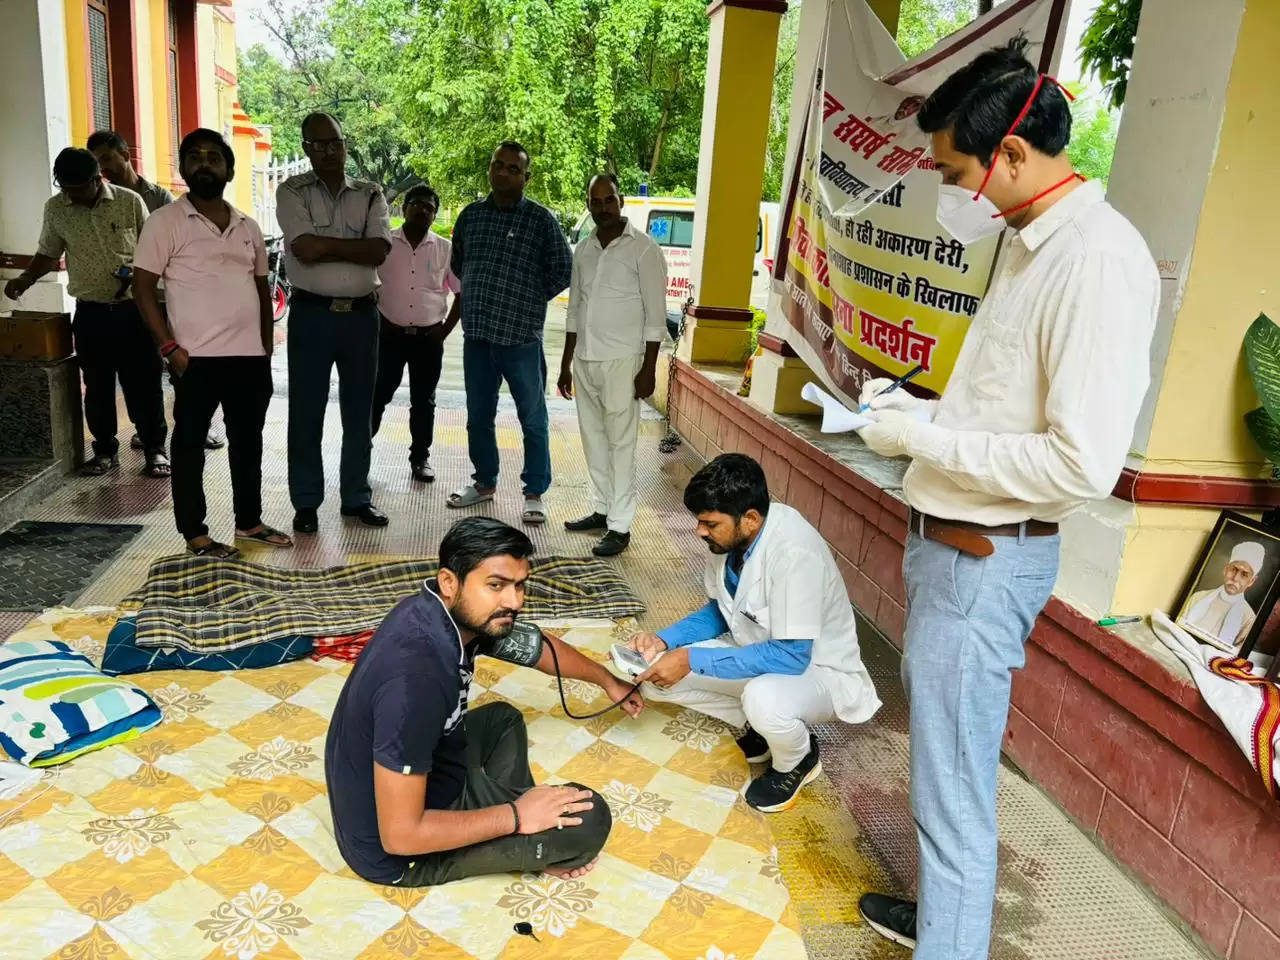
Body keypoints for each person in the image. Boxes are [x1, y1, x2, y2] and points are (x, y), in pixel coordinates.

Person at [853, 39, 1160, 959]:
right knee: (943, 776)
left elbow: (1079, 466)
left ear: (1013, 156)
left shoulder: (1096, 263)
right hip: (952, 550)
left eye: (956, 173)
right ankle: (950, 919)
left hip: (986, 561)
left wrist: (919, 437)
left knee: (954, 788)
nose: (955, 194)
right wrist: (917, 410)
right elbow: (1002, 404)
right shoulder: (1033, 247)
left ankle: (953, 942)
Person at [324, 516, 642, 886]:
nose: (514, 601)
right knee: (589, 820)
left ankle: (516, 824)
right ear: (449, 581)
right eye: (496, 585)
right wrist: (517, 817)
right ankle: (524, 833)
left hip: (435, 775)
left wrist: (608, 681)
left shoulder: (439, 609)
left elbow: (538, 648)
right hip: (395, 852)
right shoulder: (415, 685)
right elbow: (401, 836)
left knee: (503, 719)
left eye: (520, 586)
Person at [628, 454, 881, 812]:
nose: (700, 531)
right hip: (758, 651)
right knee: (652, 675)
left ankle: (798, 759)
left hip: (816, 671)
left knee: (764, 699)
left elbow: (792, 657)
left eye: (709, 524)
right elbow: (722, 609)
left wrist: (690, 658)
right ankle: (760, 730)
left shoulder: (794, 552)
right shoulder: (731, 538)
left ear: (750, 518)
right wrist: (664, 641)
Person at [133, 128, 293, 558]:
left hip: (249, 359)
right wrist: (169, 347)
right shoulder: (165, 222)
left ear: (228, 168)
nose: (205, 163)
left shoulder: (248, 226)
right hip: (195, 359)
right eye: (196, 157)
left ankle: (249, 522)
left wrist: (264, 347)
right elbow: (142, 287)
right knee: (189, 447)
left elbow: (262, 290)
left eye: (214, 157)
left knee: (248, 444)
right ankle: (195, 533)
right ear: (184, 167)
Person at [3, 148, 169, 478]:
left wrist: (142, 278)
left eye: (77, 188)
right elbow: (48, 252)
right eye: (65, 188)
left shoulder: (129, 201)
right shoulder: (56, 209)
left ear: (96, 179)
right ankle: (105, 451)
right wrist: (25, 278)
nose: (71, 195)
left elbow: (154, 248)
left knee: (144, 383)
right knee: (97, 385)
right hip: (91, 314)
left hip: (134, 311)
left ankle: (155, 449)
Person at [446, 141, 573, 526]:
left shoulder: (540, 220)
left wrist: (530, 299)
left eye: (512, 168)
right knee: (478, 416)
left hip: (520, 338)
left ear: (525, 176)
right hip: (479, 337)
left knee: (532, 418)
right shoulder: (471, 217)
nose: (502, 172)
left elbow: (563, 269)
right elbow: (460, 263)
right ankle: (484, 482)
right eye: (497, 165)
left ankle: (534, 493)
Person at [276, 112, 392, 534]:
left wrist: (327, 247)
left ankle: (356, 497)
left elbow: (379, 250)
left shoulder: (370, 192)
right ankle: (306, 502)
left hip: (362, 319)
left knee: (359, 414)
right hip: (311, 316)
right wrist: (351, 247)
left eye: (335, 142)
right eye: (318, 144)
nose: (329, 151)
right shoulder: (291, 191)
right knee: (306, 411)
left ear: (345, 143)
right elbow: (303, 248)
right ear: (306, 148)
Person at [88, 129, 227, 452]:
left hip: (167, 297)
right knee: (144, 373)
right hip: (129, 302)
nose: (102, 167)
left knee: (184, 366)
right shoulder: (100, 201)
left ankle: (197, 425)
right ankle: (148, 431)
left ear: (125, 155)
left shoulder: (158, 197)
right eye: (97, 162)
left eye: (107, 158)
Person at [557, 174, 666, 557]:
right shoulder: (584, 249)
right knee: (593, 439)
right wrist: (566, 363)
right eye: (595, 201)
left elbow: (655, 316)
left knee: (621, 444)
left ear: (621, 202)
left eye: (609, 200)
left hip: (624, 361)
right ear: (588, 204)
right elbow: (574, 310)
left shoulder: (644, 250)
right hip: (585, 359)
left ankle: (620, 525)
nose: (602, 207)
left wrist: (649, 369)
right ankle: (602, 509)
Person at [370, 183, 460, 483]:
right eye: (418, 204)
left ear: (434, 214)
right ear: (404, 207)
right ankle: (361, 451)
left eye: (430, 207)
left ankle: (420, 459)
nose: (423, 210)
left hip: (428, 340)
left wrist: (443, 332)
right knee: (378, 394)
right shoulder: (384, 244)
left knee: (424, 401)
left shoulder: (445, 249)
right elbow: (368, 284)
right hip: (389, 337)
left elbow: (461, 294)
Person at [1178, 541, 1264, 650]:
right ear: (1225, 569)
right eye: (1234, 569)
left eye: (1244, 574)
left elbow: (1234, 655)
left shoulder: (1249, 619)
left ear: (1251, 581)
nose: (1235, 578)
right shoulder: (1198, 597)